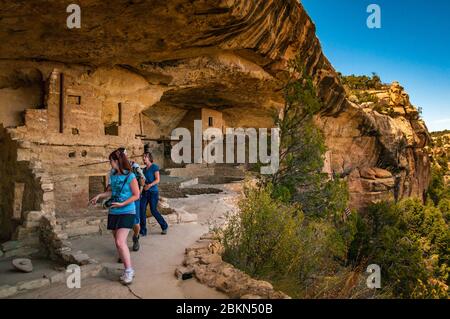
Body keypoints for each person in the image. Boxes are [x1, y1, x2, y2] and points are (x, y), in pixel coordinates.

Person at [89, 149, 140, 285]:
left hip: (127, 211)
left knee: (119, 242)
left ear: (117, 161)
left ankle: (129, 270)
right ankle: (126, 269)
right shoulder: (113, 175)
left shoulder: (130, 176)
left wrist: (123, 203)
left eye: (110, 161)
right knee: (118, 243)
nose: (109, 163)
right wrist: (99, 196)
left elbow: (136, 195)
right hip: (114, 211)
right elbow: (111, 192)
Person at [118, 147, 145, 252]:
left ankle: (136, 236)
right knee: (121, 224)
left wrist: (139, 192)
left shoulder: (134, 166)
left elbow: (142, 180)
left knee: (135, 223)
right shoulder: (117, 168)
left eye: (122, 155)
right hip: (122, 199)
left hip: (134, 198)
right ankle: (122, 250)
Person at [140, 152, 168, 236]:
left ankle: (164, 226)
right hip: (145, 192)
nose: (143, 158)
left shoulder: (154, 167)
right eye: (143, 157)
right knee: (141, 210)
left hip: (153, 192)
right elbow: (143, 181)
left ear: (149, 158)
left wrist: (149, 185)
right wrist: (143, 184)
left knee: (153, 210)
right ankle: (143, 231)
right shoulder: (143, 170)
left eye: (145, 157)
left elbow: (157, 179)